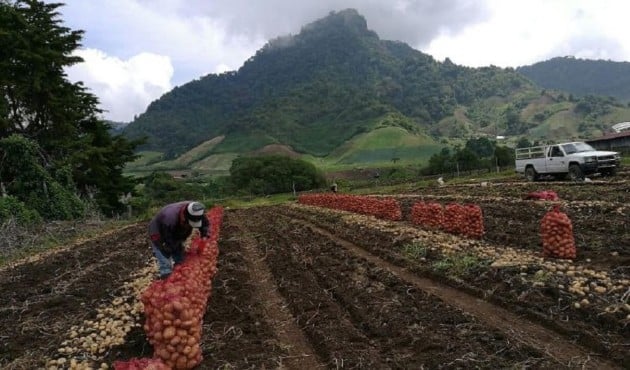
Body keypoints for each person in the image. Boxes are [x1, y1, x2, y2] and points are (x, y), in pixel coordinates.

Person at [148, 201, 210, 279]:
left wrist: (204, 236)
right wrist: (168, 249)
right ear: (185, 217)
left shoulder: (197, 210)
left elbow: (205, 224)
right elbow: (169, 239)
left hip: (175, 228)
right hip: (159, 231)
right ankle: (166, 274)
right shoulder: (169, 218)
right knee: (163, 253)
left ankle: (180, 269)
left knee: (179, 255)